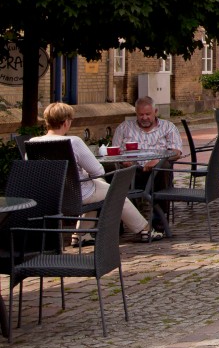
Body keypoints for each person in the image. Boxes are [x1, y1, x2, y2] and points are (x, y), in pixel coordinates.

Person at [30, 102, 161, 244]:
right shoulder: (73, 142)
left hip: (49, 196)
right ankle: (145, 229)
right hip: (77, 194)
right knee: (115, 191)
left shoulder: (33, 142)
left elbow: (34, 171)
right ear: (66, 122)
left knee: (99, 188)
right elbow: (98, 170)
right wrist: (85, 174)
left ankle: (81, 234)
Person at [112, 96, 182, 228]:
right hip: (133, 171)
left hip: (158, 171)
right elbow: (116, 151)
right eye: (140, 114)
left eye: (148, 114)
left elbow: (176, 152)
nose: (144, 118)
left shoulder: (168, 127)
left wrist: (158, 161)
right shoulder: (125, 128)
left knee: (164, 167)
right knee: (113, 173)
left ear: (155, 111)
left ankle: (159, 221)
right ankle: (116, 223)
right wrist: (124, 161)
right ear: (136, 113)